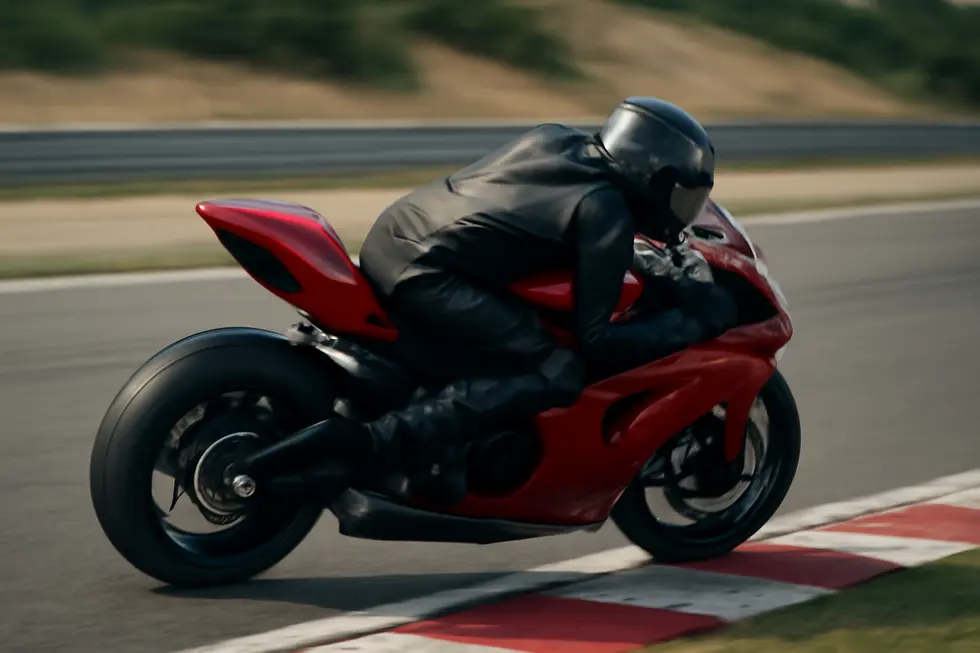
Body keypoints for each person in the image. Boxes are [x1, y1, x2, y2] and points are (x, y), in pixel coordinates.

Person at [250, 97, 738, 505]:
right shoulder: (603, 209)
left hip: (392, 238)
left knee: (509, 343)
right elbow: (596, 341)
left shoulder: (560, 140)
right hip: (429, 276)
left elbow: (527, 213)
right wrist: (691, 324)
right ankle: (374, 443)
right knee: (557, 370)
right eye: (678, 195)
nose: (679, 208)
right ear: (653, 175)